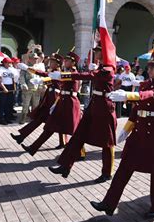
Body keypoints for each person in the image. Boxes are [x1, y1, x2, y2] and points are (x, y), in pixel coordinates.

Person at [90, 51, 154, 218]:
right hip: (139, 131)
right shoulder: (147, 83)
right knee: (124, 168)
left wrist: (128, 95)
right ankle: (109, 203)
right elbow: (138, 109)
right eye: (148, 66)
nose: (149, 69)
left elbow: (152, 96)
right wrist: (126, 129)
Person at [49, 45, 117, 183]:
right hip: (94, 104)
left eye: (98, 51)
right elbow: (92, 74)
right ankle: (65, 165)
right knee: (78, 135)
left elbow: (88, 76)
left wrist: (64, 75)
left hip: (104, 107)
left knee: (107, 142)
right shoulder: (101, 68)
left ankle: (107, 173)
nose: (96, 53)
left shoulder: (108, 69)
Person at [20, 51, 81, 155]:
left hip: (70, 103)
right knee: (50, 127)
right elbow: (46, 75)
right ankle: (33, 148)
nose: (65, 62)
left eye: (67, 60)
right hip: (63, 101)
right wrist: (28, 69)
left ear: (73, 62)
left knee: (75, 130)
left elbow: (58, 80)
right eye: (65, 60)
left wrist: (44, 79)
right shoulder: (66, 71)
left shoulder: (72, 72)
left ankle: (80, 152)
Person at [10, 52, 64, 147]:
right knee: (39, 119)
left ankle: (62, 142)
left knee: (57, 122)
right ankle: (22, 136)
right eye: (50, 61)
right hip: (49, 98)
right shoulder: (53, 71)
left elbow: (53, 82)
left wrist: (39, 78)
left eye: (52, 62)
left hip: (55, 99)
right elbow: (49, 80)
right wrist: (42, 81)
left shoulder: (59, 72)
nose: (50, 63)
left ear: (57, 64)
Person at [18, 53, 42, 124]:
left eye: (36, 59)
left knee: (36, 105)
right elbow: (21, 77)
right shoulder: (25, 67)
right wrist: (23, 84)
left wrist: (41, 86)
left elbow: (40, 77)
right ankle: (23, 118)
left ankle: (34, 118)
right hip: (27, 89)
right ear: (30, 59)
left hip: (36, 89)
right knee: (26, 105)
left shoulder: (38, 67)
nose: (36, 60)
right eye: (34, 59)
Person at [0, 57, 15, 125]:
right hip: (3, 87)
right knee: (2, 104)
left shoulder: (10, 70)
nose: (10, 64)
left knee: (9, 104)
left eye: (10, 63)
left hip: (10, 87)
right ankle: (2, 119)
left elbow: (12, 79)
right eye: (9, 63)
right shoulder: (0, 70)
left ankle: (7, 118)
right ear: (5, 63)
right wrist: (4, 88)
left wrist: (13, 87)